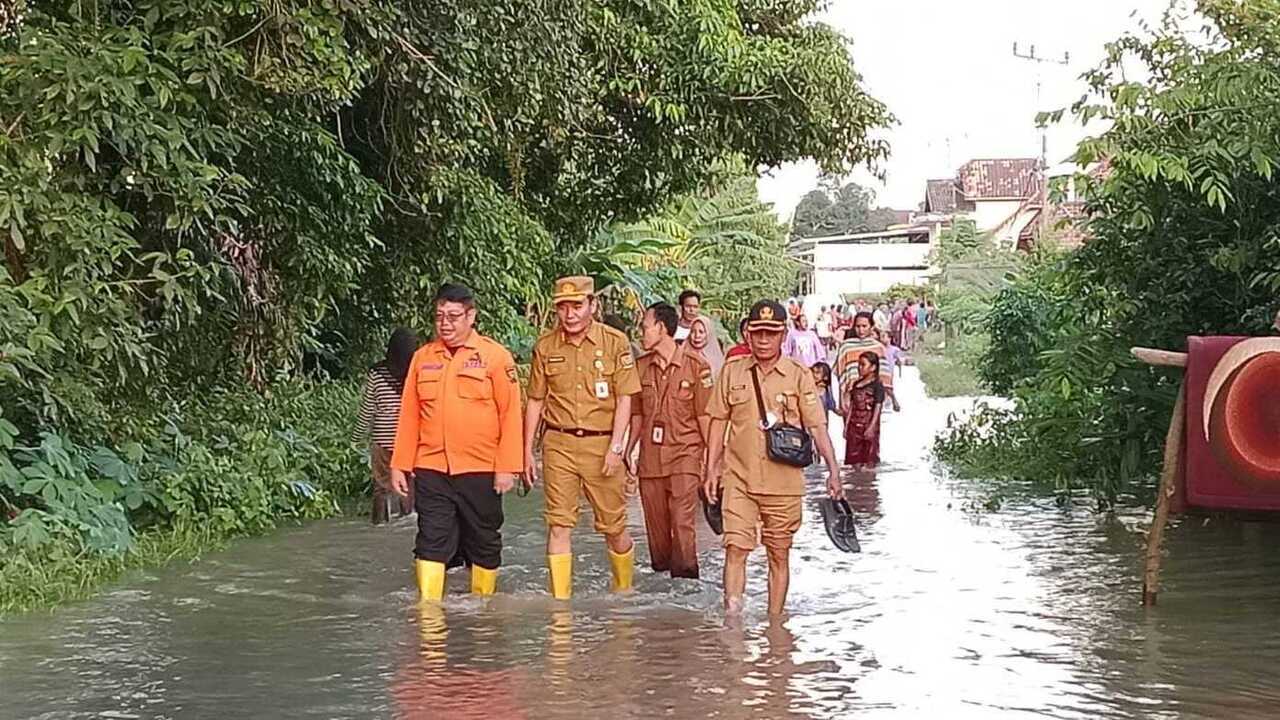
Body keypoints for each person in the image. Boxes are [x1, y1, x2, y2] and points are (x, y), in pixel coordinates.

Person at [704, 300, 843, 617]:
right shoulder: (732, 372)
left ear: (783, 336)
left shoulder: (798, 375)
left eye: (771, 333)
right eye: (758, 333)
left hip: (784, 485)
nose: (764, 340)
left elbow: (817, 426)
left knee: (778, 555)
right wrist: (710, 469)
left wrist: (834, 471)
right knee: (735, 549)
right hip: (738, 478)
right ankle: (733, 623)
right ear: (747, 335)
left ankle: (776, 626)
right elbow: (716, 422)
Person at [389, 284, 523, 600]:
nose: (445, 324)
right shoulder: (423, 358)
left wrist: (507, 467)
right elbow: (410, 415)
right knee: (430, 539)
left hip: (480, 467)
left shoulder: (494, 357)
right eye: (439, 317)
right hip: (432, 466)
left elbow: (510, 415)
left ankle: (482, 610)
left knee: (483, 540)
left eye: (453, 316)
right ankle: (429, 613)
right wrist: (399, 464)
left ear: (471, 316)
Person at [524, 276, 641, 599]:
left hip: (603, 444)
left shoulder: (615, 343)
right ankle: (560, 604)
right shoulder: (546, 346)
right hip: (558, 445)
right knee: (559, 525)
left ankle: (623, 590)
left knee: (613, 526)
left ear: (593, 305)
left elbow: (625, 399)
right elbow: (535, 400)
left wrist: (617, 447)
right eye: (563, 307)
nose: (570, 314)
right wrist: (525, 453)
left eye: (577, 305)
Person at [628, 302, 714, 579]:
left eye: (645, 326)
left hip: (685, 456)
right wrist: (627, 451)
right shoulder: (640, 368)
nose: (641, 332)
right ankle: (663, 604)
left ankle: (688, 587)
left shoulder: (696, 367)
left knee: (683, 523)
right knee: (657, 534)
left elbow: (706, 420)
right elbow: (637, 415)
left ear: (662, 328)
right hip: (650, 460)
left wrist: (712, 466)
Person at [352, 327, 419, 524]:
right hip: (408, 441)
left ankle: (379, 523)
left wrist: (356, 438)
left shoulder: (377, 373)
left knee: (381, 486)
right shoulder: (416, 373)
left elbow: (367, 409)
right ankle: (408, 519)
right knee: (407, 484)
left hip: (382, 441)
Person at [842, 351, 885, 469]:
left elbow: (878, 408)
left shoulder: (877, 386)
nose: (859, 368)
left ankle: (868, 486)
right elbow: (852, 406)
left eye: (863, 365)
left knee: (869, 462)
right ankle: (856, 486)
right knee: (854, 462)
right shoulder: (856, 384)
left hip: (868, 425)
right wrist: (846, 426)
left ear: (873, 367)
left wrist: (871, 427)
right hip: (854, 426)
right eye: (858, 365)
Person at [878, 329, 903, 412]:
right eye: (881, 337)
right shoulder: (879, 348)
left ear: (889, 338)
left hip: (889, 370)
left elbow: (898, 359)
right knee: (881, 386)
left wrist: (899, 366)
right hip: (881, 370)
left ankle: (888, 401)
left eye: (883, 336)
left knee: (889, 386)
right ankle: (883, 401)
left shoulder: (894, 349)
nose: (881, 339)